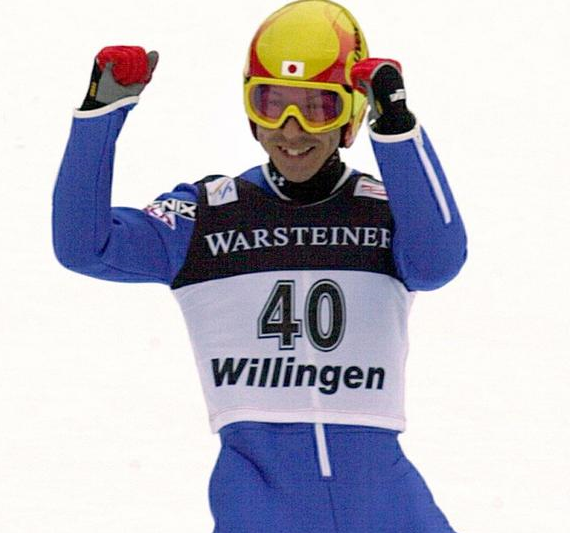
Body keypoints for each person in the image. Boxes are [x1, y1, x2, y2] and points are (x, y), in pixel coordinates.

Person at [52, 0, 467, 531]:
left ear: (352, 114)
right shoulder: (206, 216)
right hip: (259, 497)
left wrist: (398, 131)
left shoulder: (387, 209)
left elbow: (439, 260)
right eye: (271, 104)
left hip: (385, 498)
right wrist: (100, 115)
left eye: (317, 107)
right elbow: (84, 246)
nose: (291, 130)